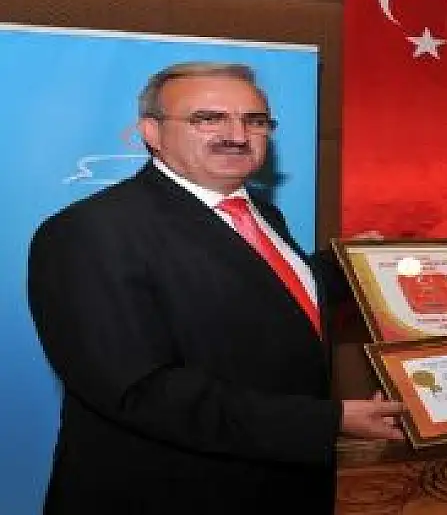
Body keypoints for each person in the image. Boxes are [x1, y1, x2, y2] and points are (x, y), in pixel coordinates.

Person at [27, 62, 405, 514]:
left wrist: (348, 267)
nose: (238, 135)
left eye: (255, 121)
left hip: (281, 483)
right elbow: (140, 390)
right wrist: (328, 420)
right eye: (208, 119)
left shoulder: (260, 213)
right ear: (151, 132)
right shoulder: (88, 232)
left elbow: (257, 297)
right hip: (169, 492)